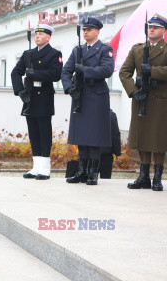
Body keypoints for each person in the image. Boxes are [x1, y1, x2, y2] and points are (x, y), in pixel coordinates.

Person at [62, 17, 115, 185]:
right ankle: (82, 171)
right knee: (82, 136)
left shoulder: (104, 49)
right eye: (84, 29)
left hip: (97, 96)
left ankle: (93, 172)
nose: (85, 32)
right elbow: (66, 71)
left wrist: (85, 70)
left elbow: (106, 70)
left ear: (97, 32)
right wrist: (69, 88)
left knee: (95, 136)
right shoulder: (77, 50)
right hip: (81, 95)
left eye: (89, 29)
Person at [119, 13, 167, 191]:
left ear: (163, 30)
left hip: (161, 101)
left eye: (155, 27)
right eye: (149, 27)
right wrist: (133, 91)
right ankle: (144, 176)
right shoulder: (137, 49)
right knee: (143, 138)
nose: (151, 29)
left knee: (159, 140)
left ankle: (157, 178)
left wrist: (153, 71)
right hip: (142, 98)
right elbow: (124, 72)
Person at [11, 24, 63, 180]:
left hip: (44, 95)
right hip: (30, 95)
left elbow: (56, 74)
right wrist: (20, 91)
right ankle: (36, 166)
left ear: (48, 37)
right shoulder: (28, 54)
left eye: (40, 34)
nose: (37, 36)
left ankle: (45, 168)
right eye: (36, 34)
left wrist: (36, 73)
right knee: (33, 132)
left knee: (44, 133)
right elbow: (15, 72)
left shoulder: (54, 54)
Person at [99, 109, 122, 179]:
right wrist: (118, 153)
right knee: (105, 180)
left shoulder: (91, 113)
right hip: (107, 152)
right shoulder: (111, 115)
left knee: (90, 180)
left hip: (91, 152)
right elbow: (115, 135)